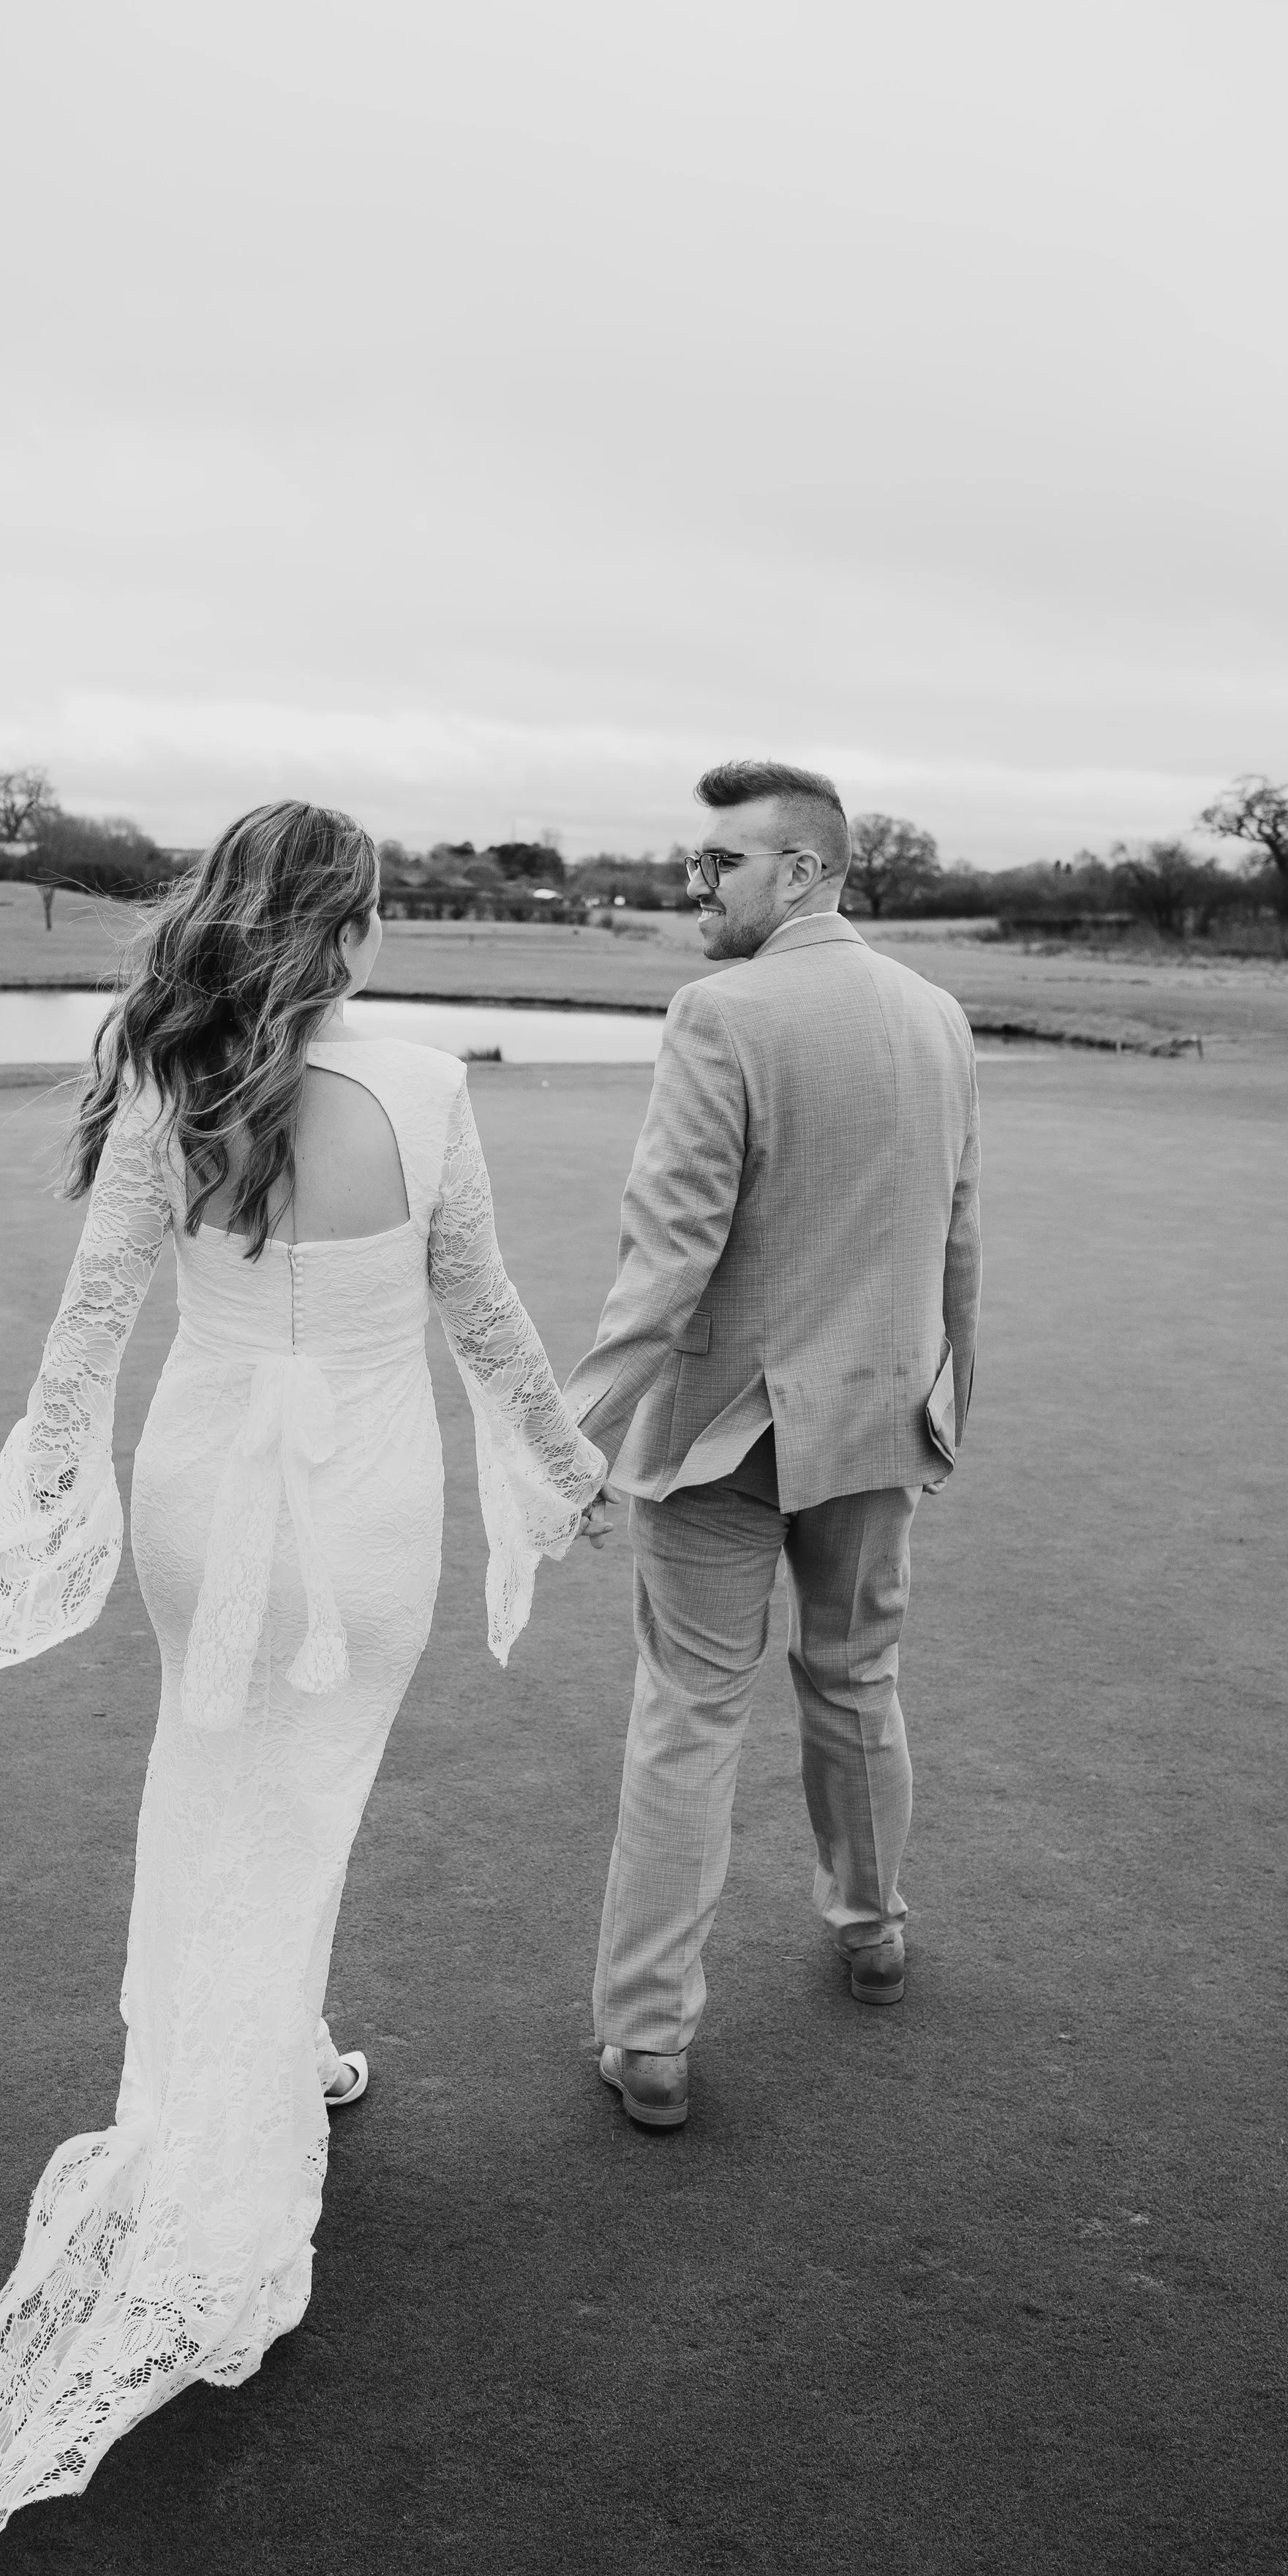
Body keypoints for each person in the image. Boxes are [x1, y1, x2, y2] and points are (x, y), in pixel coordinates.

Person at [0, 801, 606, 2576]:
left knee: (220, 1788)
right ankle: (230, 2193)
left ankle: (276, 2044)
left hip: (205, 1494)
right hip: (356, 1511)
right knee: (302, 1804)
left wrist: (33, 1497)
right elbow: (482, 1317)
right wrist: (570, 1471)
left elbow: (92, 1323)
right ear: (348, 919)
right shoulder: (419, 1079)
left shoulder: (166, 1065)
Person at [563, 761, 982, 2131]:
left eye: (721, 863)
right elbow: (955, 1235)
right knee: (860, 1677)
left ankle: (649, 2035)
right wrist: (948, 1391)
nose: (699, 883)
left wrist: (574, 1436)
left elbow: (664, 1257)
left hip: (723, 1437)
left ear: (802, 871)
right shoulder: (939, 1016)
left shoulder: (719, 1011)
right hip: (880, 1413)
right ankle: (872, 1931)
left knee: (690, 1711)